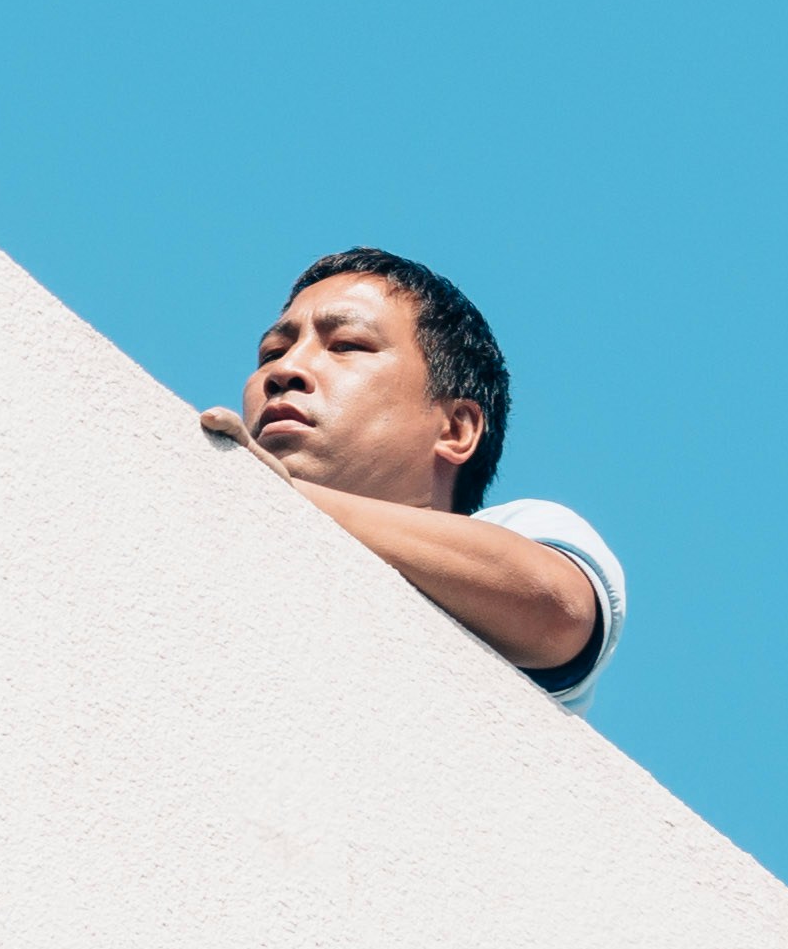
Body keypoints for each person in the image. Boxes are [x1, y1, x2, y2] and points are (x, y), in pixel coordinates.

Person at [201, 248, 626, 712]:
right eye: (272, 353)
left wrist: (286, 495)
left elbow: (559, 612)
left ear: (455, 428)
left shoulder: (524, 526)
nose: (284, 371)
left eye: (346, 345)